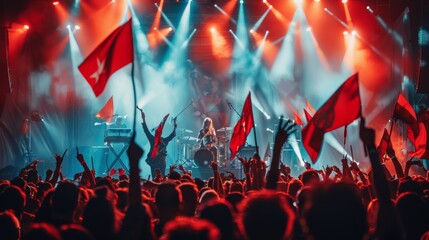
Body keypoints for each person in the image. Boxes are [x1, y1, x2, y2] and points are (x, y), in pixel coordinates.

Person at [141, 110, 177, 178]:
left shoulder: (164, 140)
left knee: (161, 175)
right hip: (153, 161)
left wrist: (175, 126)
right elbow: (146, 131)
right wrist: (143, 119)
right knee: (154, 176)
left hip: (161, 161)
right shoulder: (152, 139)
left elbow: (173, 135)